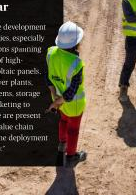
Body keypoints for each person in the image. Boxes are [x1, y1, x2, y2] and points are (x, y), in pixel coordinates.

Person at [46, 21, 87, 167]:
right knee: (73, 130)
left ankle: (62, 145)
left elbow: (48, 77)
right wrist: (57, 102)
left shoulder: (51, 53)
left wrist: (55, 99)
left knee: (63, 121)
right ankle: (71, 156)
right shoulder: (76, 63)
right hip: (73, 104)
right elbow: (70, 94)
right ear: (76, 44)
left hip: (58, 99)